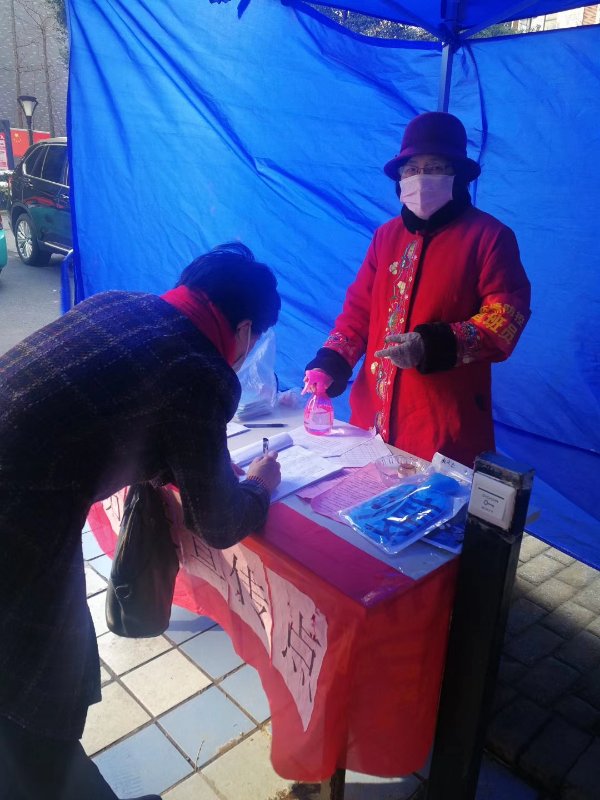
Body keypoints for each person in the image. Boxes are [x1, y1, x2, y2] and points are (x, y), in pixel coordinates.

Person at [0, 242, 282, 800]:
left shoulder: (117, 302)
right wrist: (258, 485)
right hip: (18, 523)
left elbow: (115, 407)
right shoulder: (198, 370)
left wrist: (182, 461)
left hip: (22, 489)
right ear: (245, 332)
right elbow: (219, 522)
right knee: (42, 679)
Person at [304, 111, 531, 467]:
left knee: (435, 502)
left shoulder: (490, 237)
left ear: (458, 176)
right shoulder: (386, 236)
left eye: (435, 167)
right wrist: (331, 361)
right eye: (411, 169)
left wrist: (433, 344)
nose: (420, 178)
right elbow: (359, 311)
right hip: (371, 416)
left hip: (443, 427)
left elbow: (505, 317)